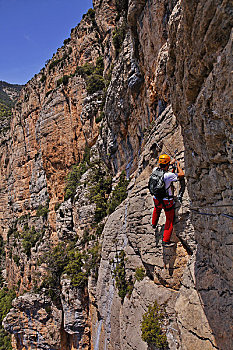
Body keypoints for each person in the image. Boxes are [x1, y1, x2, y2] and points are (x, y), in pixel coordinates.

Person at [151, 154, 185, 247]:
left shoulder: (155, 170)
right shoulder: (168, 176)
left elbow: (163, 170)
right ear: (167, 164)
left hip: (156, 198)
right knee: (169, 219)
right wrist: (177, 165)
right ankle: (166, 240)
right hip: (167, 201)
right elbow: (182, 174)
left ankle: (153, 224)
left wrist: (170, 164)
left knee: (157, 209)